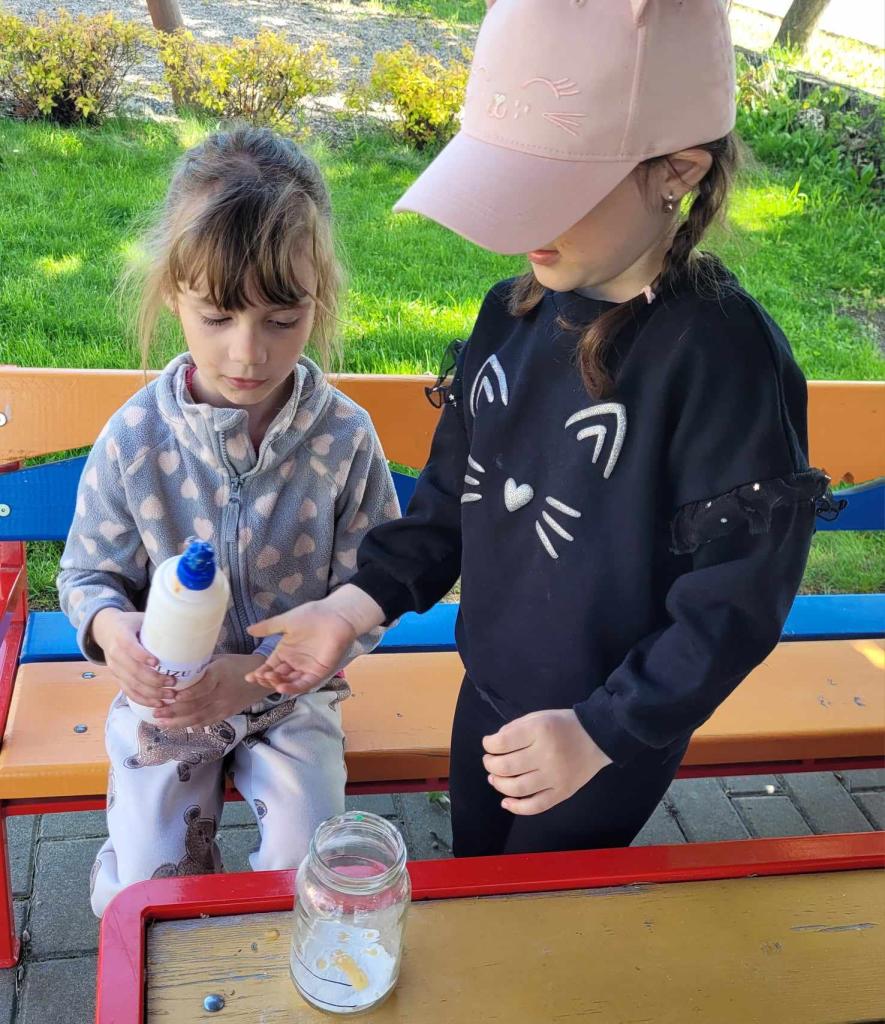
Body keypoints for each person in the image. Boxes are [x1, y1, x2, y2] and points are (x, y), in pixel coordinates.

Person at [246, 0, 834, 857]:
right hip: (488, 687)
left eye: (552, 191)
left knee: (542, 911)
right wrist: (351, 603)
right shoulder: (510, 314)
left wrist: (600, 731)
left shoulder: (721, 357)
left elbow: (734, 601)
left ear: (676, 171)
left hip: (608, 729)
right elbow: (452, 501)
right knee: (476, 878)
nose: (521, 223)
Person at [57, 126, 398, 915]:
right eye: (217, 316)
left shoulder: (342, 439)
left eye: (282, 319)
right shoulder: (136, 438)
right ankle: (136, 916)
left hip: (290, 698)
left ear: (320, 300)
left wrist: (257, 676)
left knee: (307, 868)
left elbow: (373, 587)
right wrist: (111, 631)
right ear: (171, 294)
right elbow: (86, 573)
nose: (248, 355)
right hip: (169, 700)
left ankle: (275, 961)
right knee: (147, 883)